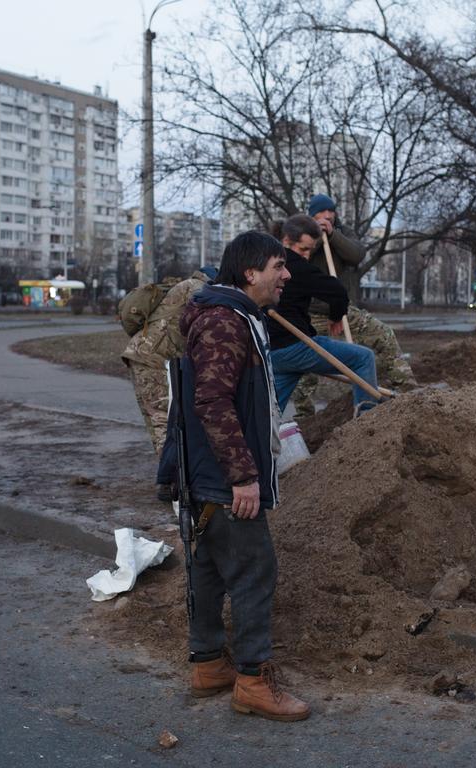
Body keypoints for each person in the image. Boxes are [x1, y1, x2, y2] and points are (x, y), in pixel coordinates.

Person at [163, 230, 310, 722]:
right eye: (278, 265)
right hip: (224, 478)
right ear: (250, 272)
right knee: (253, 571)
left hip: (205, 474)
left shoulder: (234, 318)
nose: (286, 275)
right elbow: (212, 401)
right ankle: (252, 679)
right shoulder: (226, 323)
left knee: (207, 569)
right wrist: (243, 477)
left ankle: (208, 665)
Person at [292, 194, 416, 416]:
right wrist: (317, 237)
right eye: (321, 213)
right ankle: (304, 418)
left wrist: (332, 234)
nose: (327, 216)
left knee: (384, 335)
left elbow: (356, 254)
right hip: (310, 314)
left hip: (344, 310)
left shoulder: (343, 232)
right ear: (312, 215)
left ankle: (407, 392)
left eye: (330, 212)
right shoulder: (302, 234)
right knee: (304, 366)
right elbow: (300, 255)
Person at [267, 214, 379, 417]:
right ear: (286, 241)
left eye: (310, 250)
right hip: (297, 346)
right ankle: (368, 421)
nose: (306, 255)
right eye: (303, 249)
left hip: (273, 353)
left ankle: (258, 442)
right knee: (364, 358)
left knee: (269, 415)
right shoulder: (296, 267)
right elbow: (337, 292)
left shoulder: (264, 264)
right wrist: (336, 316)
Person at [121, 263, 216, 455]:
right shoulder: (197, 288)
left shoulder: (187, 286)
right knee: (162, 418)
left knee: (157, 417)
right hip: (151, 357)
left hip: (144, 354)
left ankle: (170, 472)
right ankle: (171, 475)